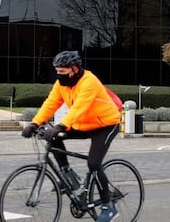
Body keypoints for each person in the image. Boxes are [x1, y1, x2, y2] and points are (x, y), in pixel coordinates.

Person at [22, 50, 121, 222]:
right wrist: (34, 123)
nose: (58, 75)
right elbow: (51, 103)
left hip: (106, 124)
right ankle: (69, 175)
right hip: (83, 124)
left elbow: (79, 108)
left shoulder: (89, 81)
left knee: (94, 163)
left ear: (74, 69)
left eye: (62, 72)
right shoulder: (62, 84)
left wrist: (60, 125)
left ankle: (108, 207)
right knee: (54, 137)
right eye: (57, 71)